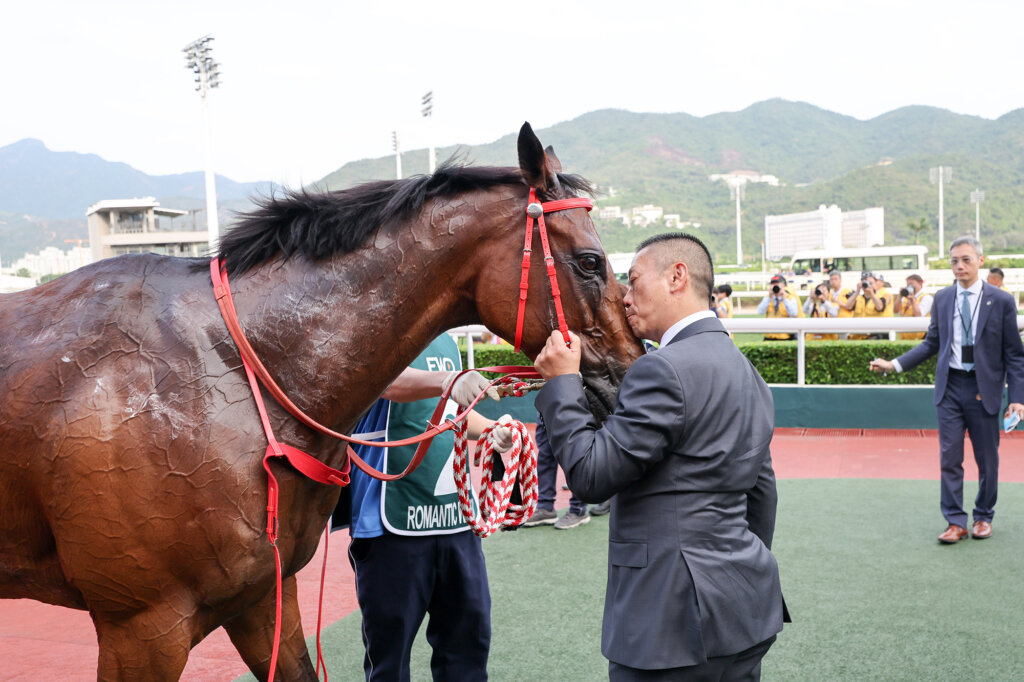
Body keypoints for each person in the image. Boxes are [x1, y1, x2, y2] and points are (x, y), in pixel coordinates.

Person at [534, 232, 787, 680]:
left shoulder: (661, 367)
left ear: (677, 276)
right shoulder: (748, 373)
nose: (625, 299)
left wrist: (562, 382)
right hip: (745, 606)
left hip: (669, 624)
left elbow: (591, 477)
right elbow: (762, 496)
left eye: (632, 282)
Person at [335, 334, 514, 681]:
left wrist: (492, 429)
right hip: (389, 526)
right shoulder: (374, 326)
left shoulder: (446, 341)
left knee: (468, 655)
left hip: (456, 521)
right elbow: (384, 381)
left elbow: (453, 415)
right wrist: (447, 381)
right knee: (390, 663)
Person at [869, 236, 1024, 544]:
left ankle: (983, 516)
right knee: (949, 458)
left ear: (980, 261)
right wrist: (894, 365)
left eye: (966, 259)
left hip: (984, 390)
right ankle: (955, 521)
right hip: (950, 388)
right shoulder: (942, 298)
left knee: (987, 459)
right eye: (954, 261)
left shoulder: (1002, 301)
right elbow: (931, 343)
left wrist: (1017, 400)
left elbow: (1015, 355)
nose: (959, 266)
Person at [524, 416, 609, 530]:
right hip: (547, 404)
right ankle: (545, 507)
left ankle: (578, 510)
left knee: (577, 451)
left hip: (576, 404)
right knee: (545, 452)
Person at [841, 270, 893, 339]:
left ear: (875, 285)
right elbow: (848, 306)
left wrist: (871, 293)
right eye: (864, 282)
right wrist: (857, 291)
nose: (867, 284)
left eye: (870, 283)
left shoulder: (881, 296)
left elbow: (880, 307)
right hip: (857, 336)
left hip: (874, 336)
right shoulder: (858, 298)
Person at [757, 274, 803, 340]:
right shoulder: (767, 298)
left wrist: (784, 299)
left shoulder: (790, 298)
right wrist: (769, 297)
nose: (775, 285)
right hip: (769, 336)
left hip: (785, 336)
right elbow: (760, 312)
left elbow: (793, 313)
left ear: (784, 285)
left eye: (777, 283)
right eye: (773, 284)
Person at [894, 273, 934, 341]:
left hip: (921, 337)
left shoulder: (926, 297)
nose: (910, 286)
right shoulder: (905, 298)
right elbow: (895, 311)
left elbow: (919, 315)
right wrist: (900, 296)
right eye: (908, 284)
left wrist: (913, 300)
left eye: (912, 284)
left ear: (920, 283)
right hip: (905, 337)